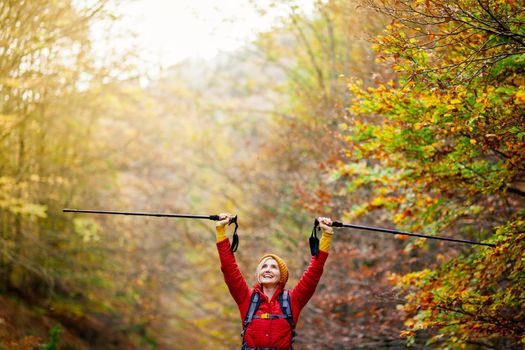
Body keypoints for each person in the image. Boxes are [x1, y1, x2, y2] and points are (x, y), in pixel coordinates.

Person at [215, 213, 333, 350]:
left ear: (281, 275)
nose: (267, 269)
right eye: (264, 266)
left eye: (273, 267)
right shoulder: (246, 298)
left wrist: (327, 235)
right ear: (258, 274)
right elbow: (229, 269)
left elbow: (314, 272)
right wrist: (220, 231)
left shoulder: (293, 300)